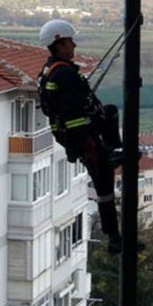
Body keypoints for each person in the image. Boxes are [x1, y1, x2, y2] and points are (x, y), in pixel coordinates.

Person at [36, 19, 124, 254]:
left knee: (110, 113)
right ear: (59, 43)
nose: (74, 45)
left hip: (75, 135)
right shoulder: (63, 74)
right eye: (70, 41)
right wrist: (85, 143)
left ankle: (114, 151)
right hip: (82, 137)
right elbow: (71, 113)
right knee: (104, 183)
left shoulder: (50, 70)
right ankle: (114, 238)